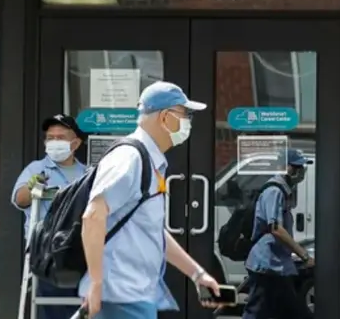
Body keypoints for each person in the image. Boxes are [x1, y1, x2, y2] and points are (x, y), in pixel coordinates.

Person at [80, 81, 224, 319]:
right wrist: (97, 284)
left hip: (134, 294)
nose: (188, 121)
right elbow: (93, 216)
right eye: (185, 114)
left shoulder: (149, 161)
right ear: (165, 117)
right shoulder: (130, 159)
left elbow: (152, 230)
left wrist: (197, 274)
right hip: (120, 295)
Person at [12, 114, 87, 319]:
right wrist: (32, 187)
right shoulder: (37, 169)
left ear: (75, 143)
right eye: (50, 138)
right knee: (52, 307)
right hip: (48, 251)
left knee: (84, 305)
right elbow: (20, 200)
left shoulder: (87, 173)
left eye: (60, 138)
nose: (54, 142)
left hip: (82, 250)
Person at [241, 148, 315, 319]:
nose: (301, 172)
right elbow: (276, 229)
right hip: (267, 264)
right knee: (258, 311)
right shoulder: (274, 191)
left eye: (302, 168)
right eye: (297, 167)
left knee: (282, 311)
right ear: (286, 167)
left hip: (277, 264)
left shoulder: (284, 190)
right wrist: (303, 255)